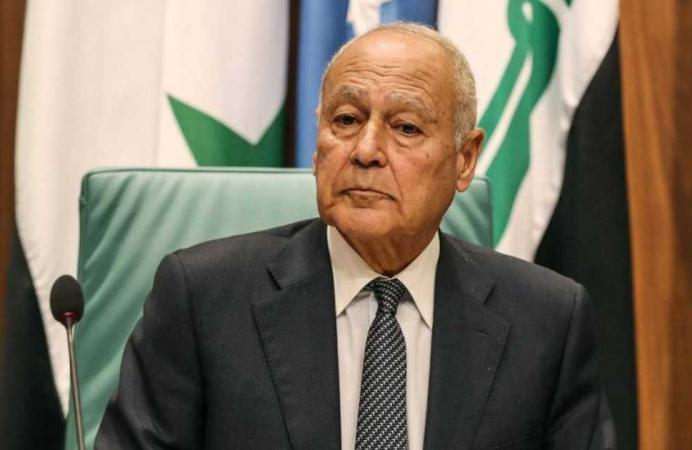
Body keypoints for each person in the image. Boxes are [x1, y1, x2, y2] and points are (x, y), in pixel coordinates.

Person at [96, 22, 611, 450]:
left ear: (465, 158)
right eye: (346, 119)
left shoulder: (548, 322)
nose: (366, 150)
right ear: (318, 144)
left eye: (406, 128)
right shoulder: (202, 299)